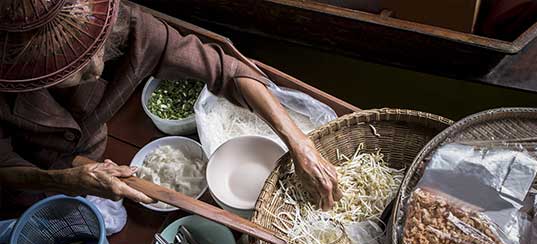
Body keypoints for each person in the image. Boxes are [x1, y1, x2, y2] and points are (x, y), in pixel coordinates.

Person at [0, 0, 341, 211]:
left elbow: (229, 72)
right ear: (28, 71)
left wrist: (300, 142)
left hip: (91, 155)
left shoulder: (131, 28)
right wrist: (65, 180)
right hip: (26, 181)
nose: (94, 67)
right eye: (69, 68)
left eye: (97, 48)